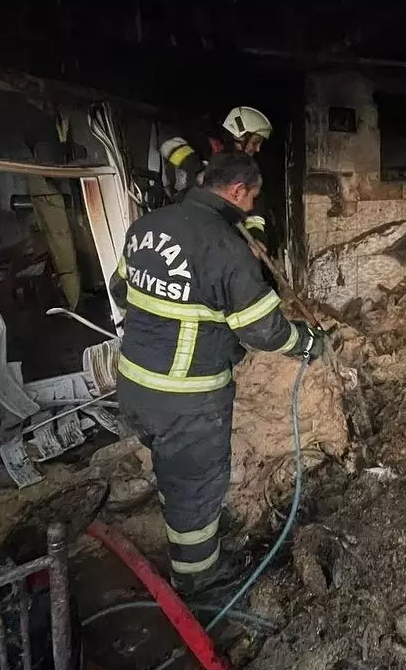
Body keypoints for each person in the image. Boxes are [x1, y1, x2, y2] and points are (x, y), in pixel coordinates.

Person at [111, 153, 326, 596]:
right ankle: (197, 577)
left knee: (176, 474)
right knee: (196, 484)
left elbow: (120, 289)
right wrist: (307, 343)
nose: (252, 207)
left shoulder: (148, 226)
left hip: (134, 385)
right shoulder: (225, 247)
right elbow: (263, 329)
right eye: (252, 198)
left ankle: (191, 530)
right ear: (236, 191)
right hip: (186, 398)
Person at [160, 105, 274, 247]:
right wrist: (197, 169)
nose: (257, 149)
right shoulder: (206, 146)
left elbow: (256, 211)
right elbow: (168, 145)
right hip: (183, 221)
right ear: (240, 136)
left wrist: (256, 237)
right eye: (255, 142)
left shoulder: (248, 172)